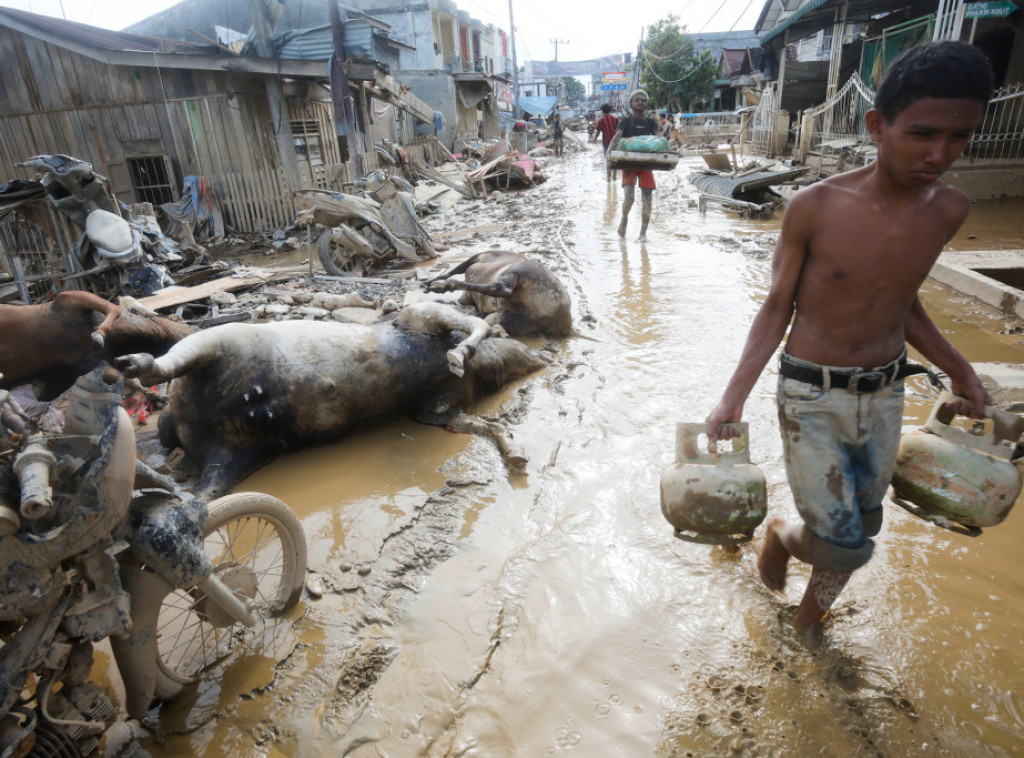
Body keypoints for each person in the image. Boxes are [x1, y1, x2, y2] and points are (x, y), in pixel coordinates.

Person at [705, 41, 994, 651]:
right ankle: (799, 593)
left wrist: (961, 370)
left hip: (886, 391)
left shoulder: (949, 209)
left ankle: (801, 577)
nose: (939, 154)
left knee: (864, 524)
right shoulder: (816, 207)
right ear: (876, 125)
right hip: (811, 392)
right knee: (842, 541)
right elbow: (776, 307)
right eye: (922, 134)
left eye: (959, 137)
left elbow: (904, 302)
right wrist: (732, 398)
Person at [606, 89, 661, 241]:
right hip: (629, 163)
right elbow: (617, 138)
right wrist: (608, 154)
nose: (640, 102)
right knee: (629, 199)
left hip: (646, 164)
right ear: (631, 103)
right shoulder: (626, 120)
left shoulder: (650, 121)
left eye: (643, 100)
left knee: (647, 198)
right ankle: (624, 218)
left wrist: (667, 148)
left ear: (647, 104)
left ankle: (643, 233)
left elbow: (659, 138)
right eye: (637, 100)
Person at [593, 103, 619, 181]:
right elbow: (619, 131)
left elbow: (598, 132)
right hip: (615, 143)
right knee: (615, 159)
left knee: (608, 160)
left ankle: (608, 177)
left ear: (602, 111)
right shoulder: (615, 119)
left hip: (606, 143)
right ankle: (614, 175)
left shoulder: (601, 121)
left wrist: (595, 139)